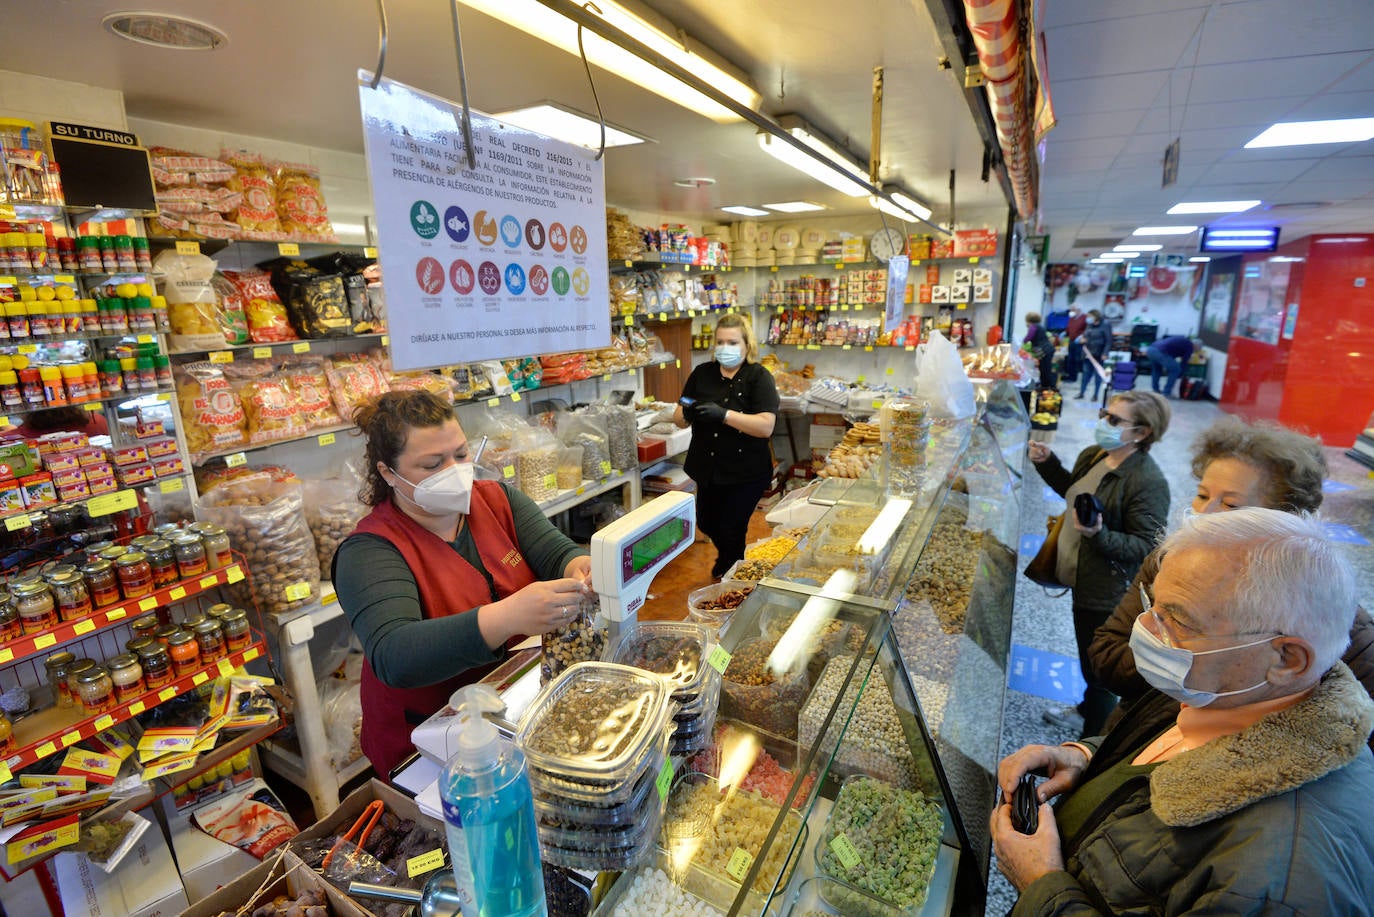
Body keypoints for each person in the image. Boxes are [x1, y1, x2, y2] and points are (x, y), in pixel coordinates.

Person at [992, 509, 1374, 914]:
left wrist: (1041, 885)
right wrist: (1088, 758)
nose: (1145, 628)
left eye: (1177, 619)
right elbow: (1180, 744)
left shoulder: (1281, 881)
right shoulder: (1224, 687)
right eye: (1152, 605)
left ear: (1287, 659)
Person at [333, 390, 592, 778]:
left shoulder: (497, 500)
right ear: (389, 473)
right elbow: (393, 654)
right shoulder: (369, 551)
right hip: (428, 747)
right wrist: (507, 617)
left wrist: (581, 568)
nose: (453, 471)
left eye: (460, 455)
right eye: (432, 464)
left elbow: (557, 555)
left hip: (512, 712)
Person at [1089, 416, 1374, 749]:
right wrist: (1169, 662)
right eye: (1201, 494)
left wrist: (1205, 667)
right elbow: (1107, 653)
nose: (1204, 513)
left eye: (1230, 504)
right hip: (1131, 740)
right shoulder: (1173, 562)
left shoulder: (1345, 633)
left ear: (1282, 519)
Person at [1027, 391, 1170, 736]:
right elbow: (1074, 494)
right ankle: (1085, 709)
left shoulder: (1147, 482)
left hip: (1105, 589)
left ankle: (1090, 743)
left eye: (1115, 420)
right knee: (1086, 656)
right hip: (1079, 572)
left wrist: (1098, 535)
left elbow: (1145, 547)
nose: (1103, 423)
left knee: (1099, 670)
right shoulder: (1095, 455)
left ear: (1142, 432)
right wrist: (1048, 464)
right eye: (1105, 414)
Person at [674, 313, 778, 579]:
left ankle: (734, 574)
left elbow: (766, 425)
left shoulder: (759, 377)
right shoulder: (702, 374)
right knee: (707, 522)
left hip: (746, 471)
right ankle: (731, 562)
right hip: (707, 467)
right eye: (720, 342)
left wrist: (724, 415)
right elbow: (680, 411)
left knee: (732, 526)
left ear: (747, 346)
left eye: (732, 343)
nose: (725, 348)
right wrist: (687, 413)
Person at [1075, 309, 1111, 402]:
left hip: (1099, 354)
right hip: (1088, 353)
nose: (1088, 318)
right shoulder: (1089, 325)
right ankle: (1081, 393)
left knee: (1098, 376)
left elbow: (1109, 341)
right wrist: (1082, 340)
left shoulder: (1105, 325)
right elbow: (1086, 336)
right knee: (1085, 375)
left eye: (1090, 316)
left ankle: (1095, 395)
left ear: (1095, 316)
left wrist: (1105, 353)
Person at [1022, 311, 1056, 388]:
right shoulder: (1040, 326)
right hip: (1048, 349)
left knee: (1045, 369)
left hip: (1043, 350)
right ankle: (1045, 385)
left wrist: (1023, 341)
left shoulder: (1033, 327)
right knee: (1045, 368)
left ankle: (1048, 386)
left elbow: (1029, 337)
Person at [1061, 307, 1087, 383]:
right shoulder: (1072, 318)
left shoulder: (1084, 318)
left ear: (1078, 310)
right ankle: (1069, 375)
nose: (1071, 312)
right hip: (1071, 341)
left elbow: (1087, 329)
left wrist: (1081, 336)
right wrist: (1065, 333)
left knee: (1076, 360)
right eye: (1071, 310)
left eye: (1073, 310)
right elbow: (1068, 328)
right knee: (1070, 359)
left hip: (1079, 342)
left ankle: (1073, 377)